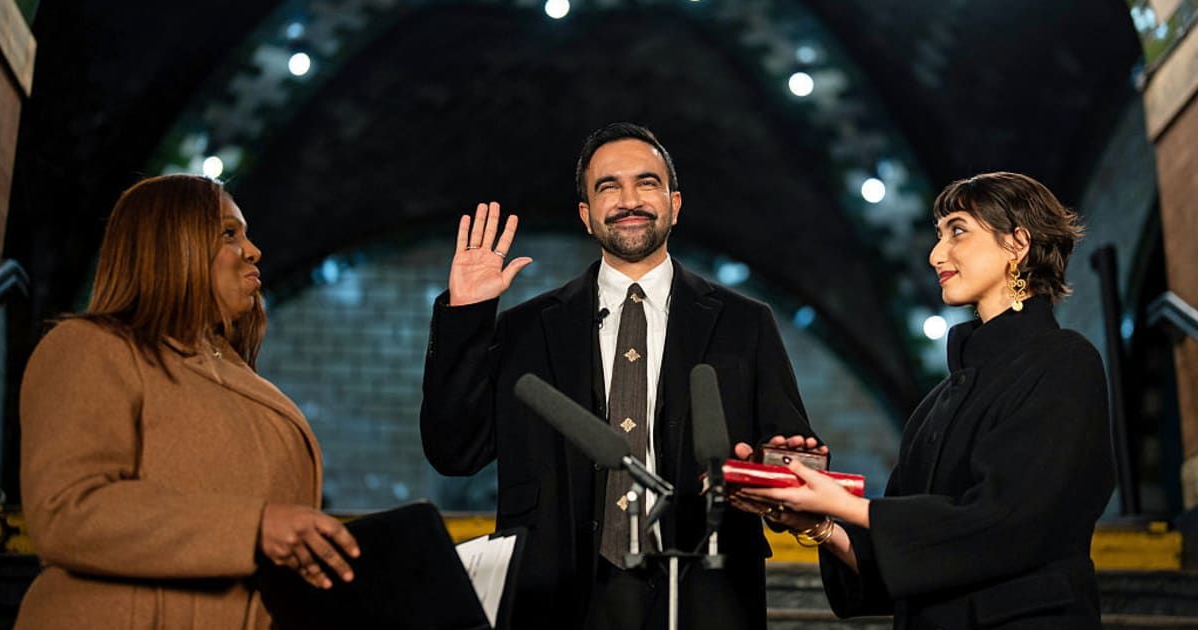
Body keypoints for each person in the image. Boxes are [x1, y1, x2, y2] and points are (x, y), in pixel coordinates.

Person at [420, 122, 821, 629]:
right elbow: (454, 450)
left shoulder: (746, 323)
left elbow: (789, 452)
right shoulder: (525, 330)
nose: (629, 199)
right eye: (608, 186)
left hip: (705, 591)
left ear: (675, 203)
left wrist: (776, 468)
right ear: (587, 216)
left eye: (646, 182)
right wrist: (467, 317)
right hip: (558, 597)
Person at [732, 171, 1115, 629]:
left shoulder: (1064, 361)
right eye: (938, 235)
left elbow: (1010, 521)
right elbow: (906, 565)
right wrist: (819, 521)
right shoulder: (936, 405)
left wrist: (846, 504)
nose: (936, 255)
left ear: (1018, 243)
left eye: (958, 230)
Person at [16, 174, 360, 629]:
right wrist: (254, 527)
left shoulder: (240, 379)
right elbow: (67, 509)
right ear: (170, 244)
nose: (253, 250)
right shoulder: (88, 347)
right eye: (228, 233)